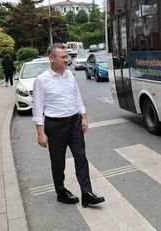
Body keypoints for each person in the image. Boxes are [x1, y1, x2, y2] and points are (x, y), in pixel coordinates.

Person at [32, 43, 105, 207]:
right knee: (58, 162)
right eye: (63, 57)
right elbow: (37, 109)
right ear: (52, 58)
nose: (67, 59)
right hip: (55, 125)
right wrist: (40, 133)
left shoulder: (70, 75)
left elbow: (77, 97)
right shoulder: (42, 80)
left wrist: (83, 116)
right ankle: (61, 191)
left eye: (67, 56)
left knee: (81, 158)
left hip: (74, 123)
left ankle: (87, 193)